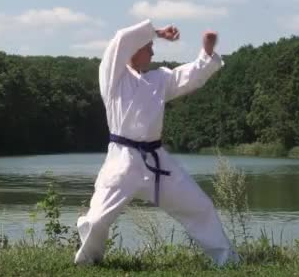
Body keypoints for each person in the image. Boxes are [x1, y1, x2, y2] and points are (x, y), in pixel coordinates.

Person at [74, 19, 239, 266]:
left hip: (157, 160)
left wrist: (206, 54)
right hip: (123, 162)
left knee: (200, 206)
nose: (153, 51)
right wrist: (156, 32)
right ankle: (88, 261)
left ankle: (227, 261)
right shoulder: (113, 78)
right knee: (96, 220)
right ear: (134, 49)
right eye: (148, 46)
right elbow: (120, 39)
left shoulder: (158, 79)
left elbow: (188, 76)